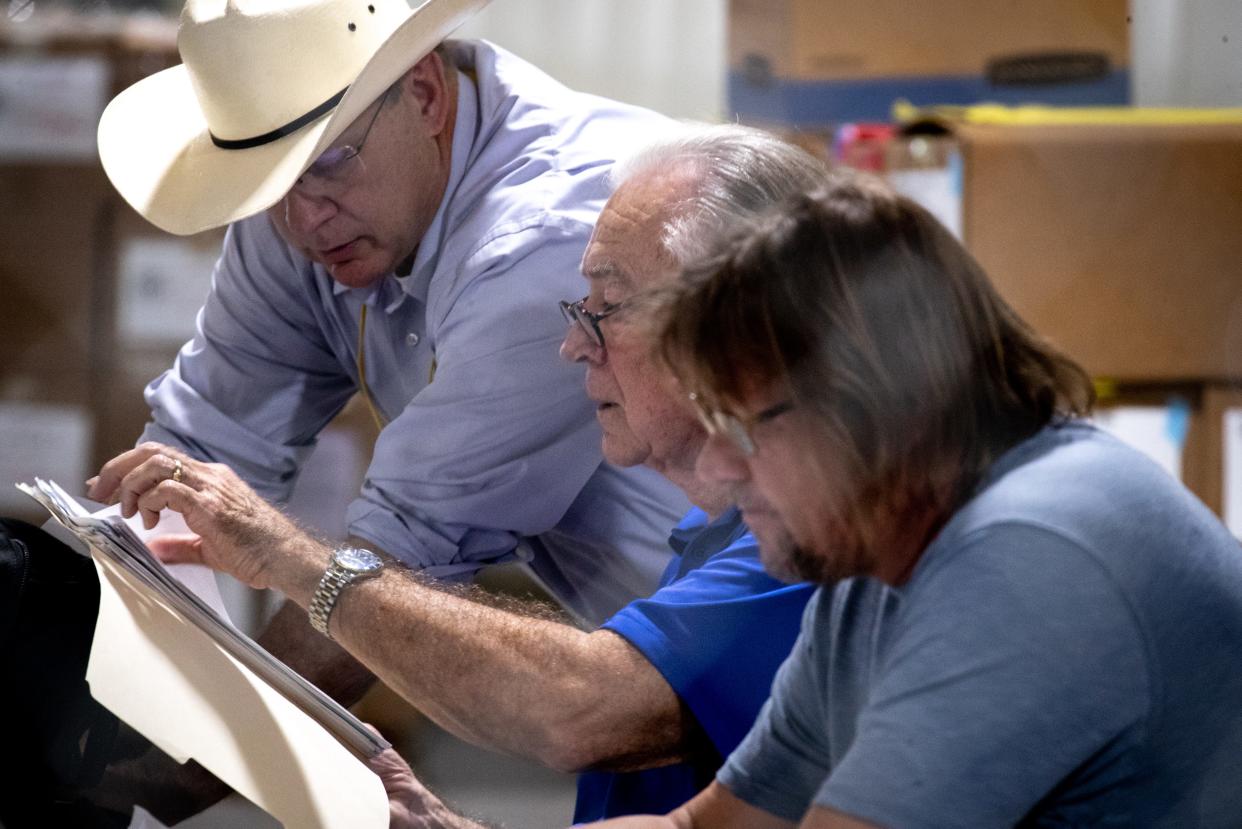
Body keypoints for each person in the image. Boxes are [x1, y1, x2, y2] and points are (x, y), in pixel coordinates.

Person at [73, 125, 829, 824]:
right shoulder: (714, 529)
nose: (572, 345)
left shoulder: (804, 544)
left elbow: (579, 709)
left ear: (737, 329)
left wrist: (291, 558)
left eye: (608, 307)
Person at [585, 176, 1242, 828]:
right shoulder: (870, 572)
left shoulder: (1030, 555)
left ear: (878, 408)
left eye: (742, 426)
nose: (714, 462)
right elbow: (710, 826)